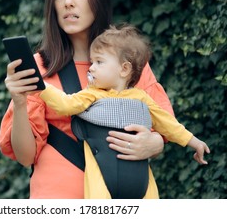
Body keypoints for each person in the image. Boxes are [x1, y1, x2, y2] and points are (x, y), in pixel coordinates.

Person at [0, 0, 174, 199]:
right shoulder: (41, 66)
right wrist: (18, 102)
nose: (68, 2)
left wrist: (155, 143)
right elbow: (26, 156)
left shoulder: (128, 62)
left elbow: (164, 126)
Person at [38, 24, 210, 198]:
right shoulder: (91, 95)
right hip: (101, 179)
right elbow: (65, 104)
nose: (91, 68)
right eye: (92, 62)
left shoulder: (141, 98)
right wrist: (39, 85)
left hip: (140, 177)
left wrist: (194, 142)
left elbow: (169, 124)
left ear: (124, 69)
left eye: (99, 62)